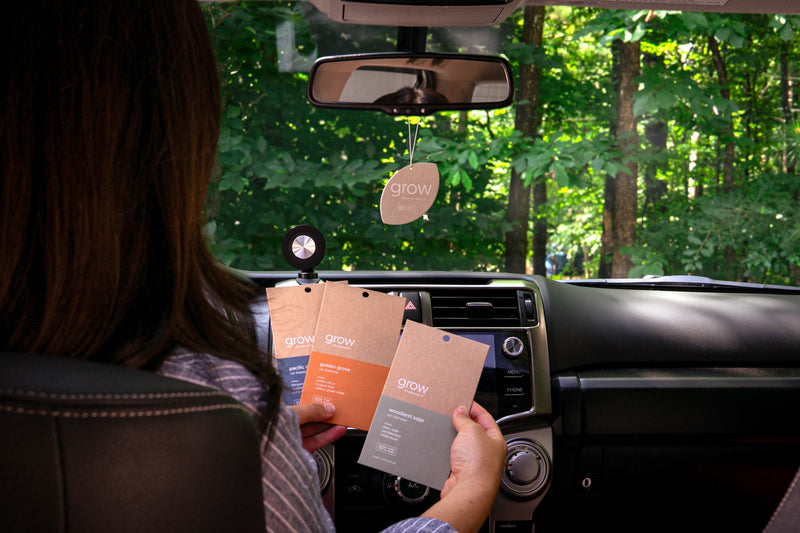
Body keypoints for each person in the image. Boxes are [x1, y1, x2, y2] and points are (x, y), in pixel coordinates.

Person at [0, 2, 507, 533]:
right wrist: (468, 496)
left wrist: (275, 449)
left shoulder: (240, 419)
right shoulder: (229, 409)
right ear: (177, 138)